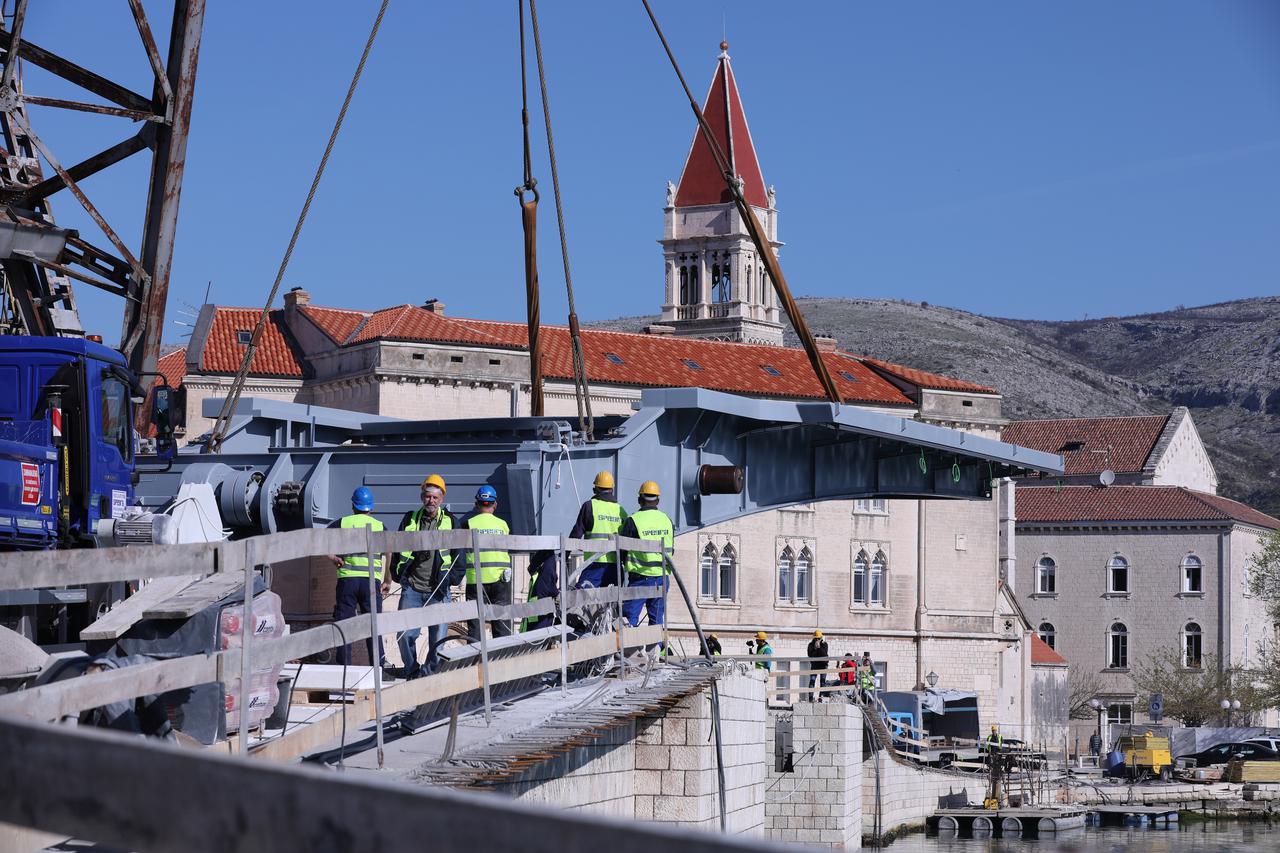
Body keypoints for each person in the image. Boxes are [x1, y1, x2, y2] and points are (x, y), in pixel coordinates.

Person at [393, 474, 462, 678]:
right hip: (413, 588)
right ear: (422, 497)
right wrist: (398, 574)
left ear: (441, 499)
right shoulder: (410, 519)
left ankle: (430, 674)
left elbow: (460, 553)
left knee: (438, 640)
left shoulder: (451, 521)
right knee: (404, 635)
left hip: (438, 590)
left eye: (435, 497)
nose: (431, 501)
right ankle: (412, 672)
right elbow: (397, 546)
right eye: (427, 496)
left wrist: (452, 579)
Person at [327, 487, 392, 669]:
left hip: (348, 580)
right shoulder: (380, 526)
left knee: (344, 625)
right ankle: (379, 667)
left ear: (353, 505)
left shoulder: (343, 522)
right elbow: (389, 551)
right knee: (373, 626)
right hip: (371, 582)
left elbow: (321, 540)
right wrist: (387, 578)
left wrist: (333, 558)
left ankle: (344, 668)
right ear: (371, 507)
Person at [460, 485, 513, 639]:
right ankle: (502, 654)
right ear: (495, 504)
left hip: (476, 580)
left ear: (476, 504)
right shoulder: (503, 525)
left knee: (475, 627)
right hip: (500, 580)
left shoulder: (468, 524)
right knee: (502, 626)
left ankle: (475, 654)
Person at [619, 481, 673, 629]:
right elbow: (671, 549)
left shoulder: (633, 520)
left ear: (639, 499)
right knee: (656, 621)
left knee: (628, 619)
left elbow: (622, 550)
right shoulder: (667, 520)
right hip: (662, 578)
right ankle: (656, 644)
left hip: (640, 578)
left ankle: (627, 644)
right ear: (658, 500)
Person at [570, 471, 627, 589]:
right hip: (615, 567)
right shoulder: (621, 511)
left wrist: (565, 554)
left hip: (594, 564)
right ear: (612, 489)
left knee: (582, 597)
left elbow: (576, 534)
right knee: (612, 600)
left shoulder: (589, 506)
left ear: (595, 489)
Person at [521, 549, 559, 632]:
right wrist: (556, 593)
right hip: (541, 616)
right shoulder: (548, 564)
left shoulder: (539, 571)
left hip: (535, 616)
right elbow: (549, 586)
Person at [806, 630, 829, 703]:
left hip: (823, 665)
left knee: (822, 682)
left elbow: (824, 655)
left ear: (821, 638)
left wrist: (819, 648)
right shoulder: (810, 645)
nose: (817, 640)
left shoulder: (824, 644)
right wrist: (815, 649)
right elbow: (810, 655)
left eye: (818, 638)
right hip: (815, 665)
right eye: (816, 638)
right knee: (812, 681)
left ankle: (821, 697)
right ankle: (810, 697)